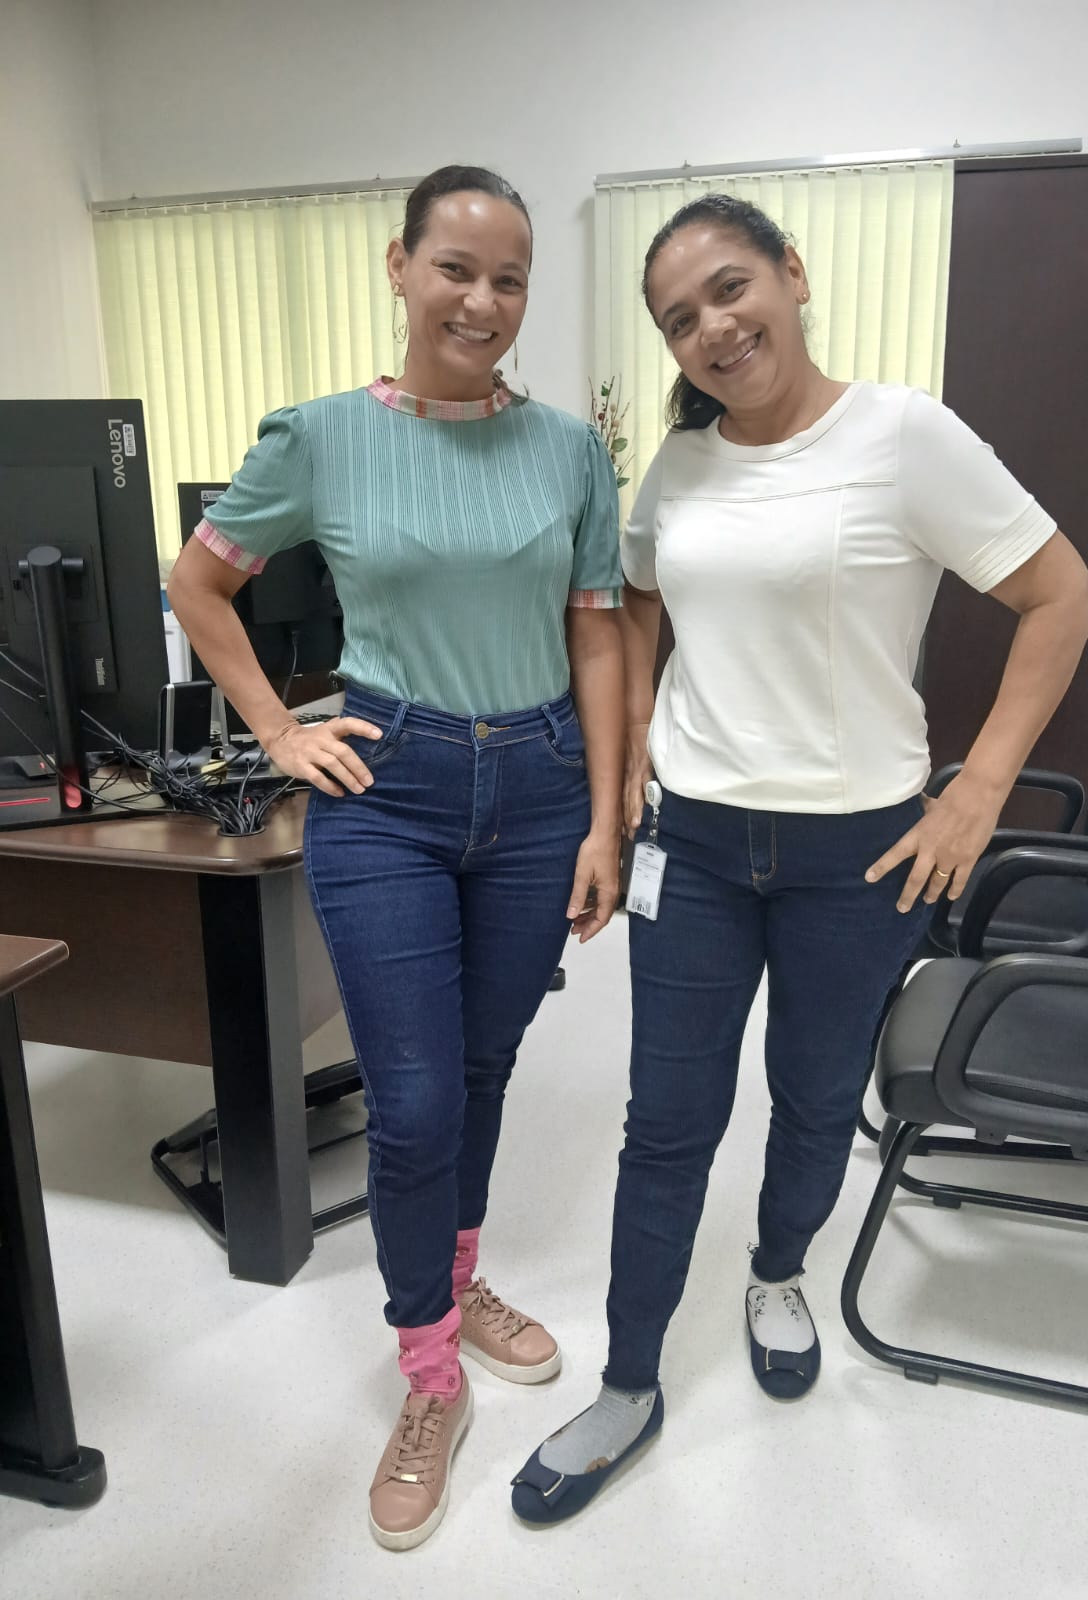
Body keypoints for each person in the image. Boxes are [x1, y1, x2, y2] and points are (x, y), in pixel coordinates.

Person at [511, 193, 1088, 1522]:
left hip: (862, 854)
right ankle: (629, 1380)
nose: (713, 330)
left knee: (819, 1097)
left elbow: (1060, 593)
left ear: (793, 272)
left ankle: (778, 1272)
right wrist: (639, 735)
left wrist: (979, 791)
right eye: (680, 319)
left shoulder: (904, 436)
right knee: (667, 1120)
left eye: (731, 289)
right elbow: (640, 595)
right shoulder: (683, 465)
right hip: (696, 846)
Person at [167, 165, 625, 1552]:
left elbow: (596, 629)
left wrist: (607, 815)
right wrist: (275, 731)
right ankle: (429, 1371)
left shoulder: (570, 451)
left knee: (481, 1072)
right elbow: (200, 582)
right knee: (415, 1103)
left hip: (539, 787)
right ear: (400, 266)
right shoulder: (318, 438)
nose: (482, 301)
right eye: (456, 269)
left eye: (509, 279)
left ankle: (455, 1275)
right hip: (389, 790)